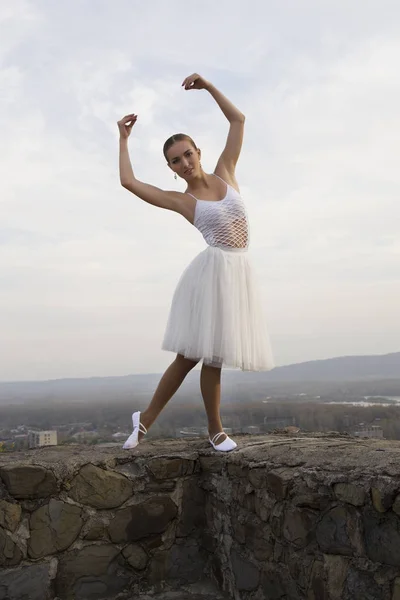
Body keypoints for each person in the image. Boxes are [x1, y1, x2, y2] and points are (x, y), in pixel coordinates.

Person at [118, 73, 274, 452]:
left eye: (188, 154)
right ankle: (178, 425)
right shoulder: (183, 201)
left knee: (214, 357)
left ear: (198, 152)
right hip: (212, 276)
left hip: (239, 274)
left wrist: (208, 87)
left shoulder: (227, 172)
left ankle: (202, 428)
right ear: (172, 168)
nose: (185, 162)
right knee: (190, 355)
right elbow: (129, 182)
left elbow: (238, 121)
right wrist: (123, 140)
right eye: (176, 161)